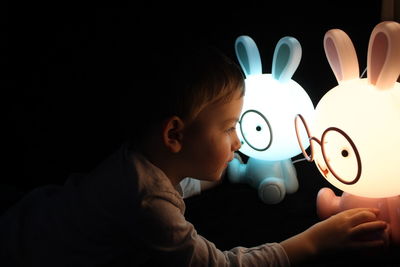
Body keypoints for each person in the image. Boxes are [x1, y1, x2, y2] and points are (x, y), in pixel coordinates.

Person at [0, 37, 387, 267]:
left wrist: (222, 175)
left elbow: (169, 184)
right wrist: (314, 241)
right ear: (175, 134)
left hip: (35, 211)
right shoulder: (151, 208)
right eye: (229, 128)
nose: (239, 141)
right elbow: (219, 264)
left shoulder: (137, 163)